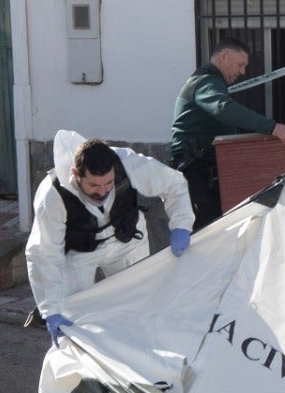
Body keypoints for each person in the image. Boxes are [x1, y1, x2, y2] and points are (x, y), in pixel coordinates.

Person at [25, 131, 194, 342]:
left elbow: (174, 183)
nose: (102, 191)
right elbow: (44, 253)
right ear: (75, 174)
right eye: (94, 185)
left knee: (139, 306)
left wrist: (181, 225)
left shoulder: (127, 163)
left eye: (108, 183)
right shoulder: (52, 196)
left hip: (126, 241)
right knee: (75, 317)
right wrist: (50, 308)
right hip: (79, 252)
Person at [168, 37, 285, 229]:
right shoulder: (205, 81)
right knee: (208, 234)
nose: (243, 72)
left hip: (207, 172)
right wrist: (271, 127)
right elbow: (223, 108)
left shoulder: (212, 82)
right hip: (197, 173)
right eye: (240, 64)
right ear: (224, 56)